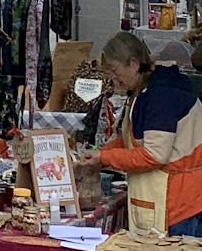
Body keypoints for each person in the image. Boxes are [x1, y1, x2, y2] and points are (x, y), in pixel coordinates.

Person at [80, 31, 202, 235]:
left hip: (180, 205)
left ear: (134, 64)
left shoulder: (160, 96)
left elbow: (154, 154)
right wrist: (101, 154)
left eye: (114, 70)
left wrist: (105, 156)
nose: (113, 78)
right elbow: (133, 139)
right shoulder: (146, 90)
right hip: (175, 200)